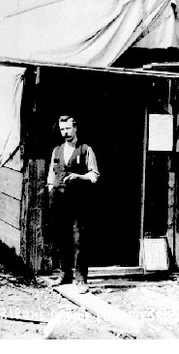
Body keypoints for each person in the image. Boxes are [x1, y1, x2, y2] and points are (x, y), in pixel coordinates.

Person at [47, 115, 100, 293]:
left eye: (68, 129)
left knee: (79, 240)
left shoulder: (85, 150)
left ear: (75, 128)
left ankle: (81, 279)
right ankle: (65, 274)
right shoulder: (57, 150)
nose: (65, 132)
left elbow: (94, 176)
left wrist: (79, 177)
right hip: (59, 201)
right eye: (62, 129)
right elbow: (51, 176)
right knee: (61, 238)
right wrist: (50, 189)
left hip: (79, 201)